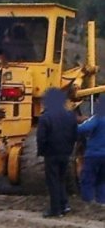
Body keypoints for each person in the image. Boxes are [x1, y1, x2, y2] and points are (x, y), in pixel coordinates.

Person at [36, 88, 78, 217]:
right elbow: (74, 135)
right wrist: (70, 149)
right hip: (66, 153)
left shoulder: (45, 117)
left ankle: (55, 210)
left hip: (51, 153)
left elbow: (41, 138)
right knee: (61, 179)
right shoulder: (70, 116)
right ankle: (64, 205)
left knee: (53, 181)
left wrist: (42, 151)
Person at [77, 97, 105, 205]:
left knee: (87, 179)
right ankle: (102, 202)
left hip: (94, 154)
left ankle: (87, 202)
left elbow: (83, 128)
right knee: (102, 180)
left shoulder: (97, 118)